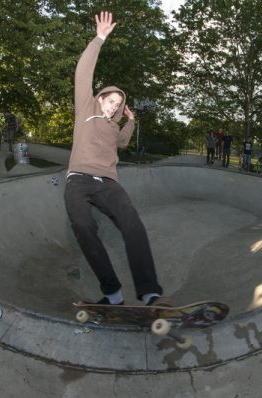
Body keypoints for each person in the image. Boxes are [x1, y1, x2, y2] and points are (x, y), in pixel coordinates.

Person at [64, 11, 168, 307]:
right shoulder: (86, 109)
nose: (113, 108)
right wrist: (99, 39)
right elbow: (82, 73)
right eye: (111, 102)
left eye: (118, 105)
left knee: (132, 223)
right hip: (78, 181)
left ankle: (151, 294)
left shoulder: (114, 126)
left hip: (108, 183)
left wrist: (130, 122)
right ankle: (112, 293)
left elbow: (122, 142)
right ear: (100, 98)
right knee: (83, 225)